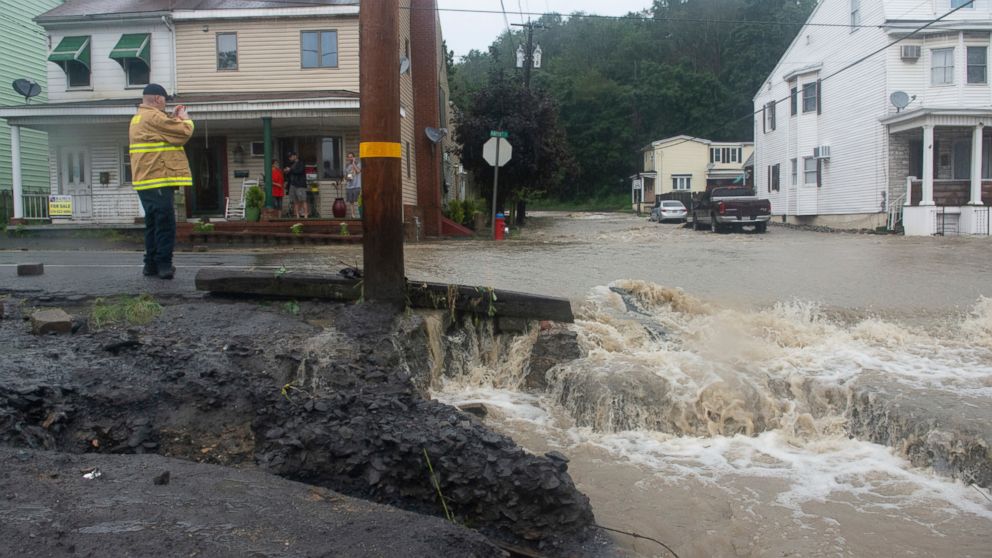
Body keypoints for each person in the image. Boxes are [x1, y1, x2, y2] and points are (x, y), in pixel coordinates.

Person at [129, 83, 193, 280]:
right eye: (165, 100)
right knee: (165, 224)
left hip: (145, 180)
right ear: (157, 98)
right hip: (157, 179)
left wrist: (172, 117)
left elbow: (163, 132)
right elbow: (182, 133)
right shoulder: (153, 116)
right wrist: (185, 119)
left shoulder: (138, 117)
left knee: (153, 223)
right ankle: (164, 265)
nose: (165, 104)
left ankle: (150, 265)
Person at [284, 152, 308, 219]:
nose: (290, 158)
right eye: (289, 157)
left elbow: (299, 171)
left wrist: (290, 169)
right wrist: (286, 171)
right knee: (295, 201)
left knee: (303, 199)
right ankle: (297, 215)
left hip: (300, 184)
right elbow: (290, 174)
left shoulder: (301, 163)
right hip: (292, 184)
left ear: (295, 156)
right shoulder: (291, 164)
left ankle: (306, 215)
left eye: (291, 156)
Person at [345, 151, 361, 218]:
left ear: (354, 157)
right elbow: (347, 178)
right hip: (349, 186)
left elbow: (358, 171)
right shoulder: (347, 166)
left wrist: (354, 163)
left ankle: (361, 214)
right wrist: (348, 177)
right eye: (349, 157)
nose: (350, 158)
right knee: (351, 202)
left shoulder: (358, 163)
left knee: (358, 201)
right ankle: (353, 215)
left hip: (357, 185)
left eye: (351, 157)